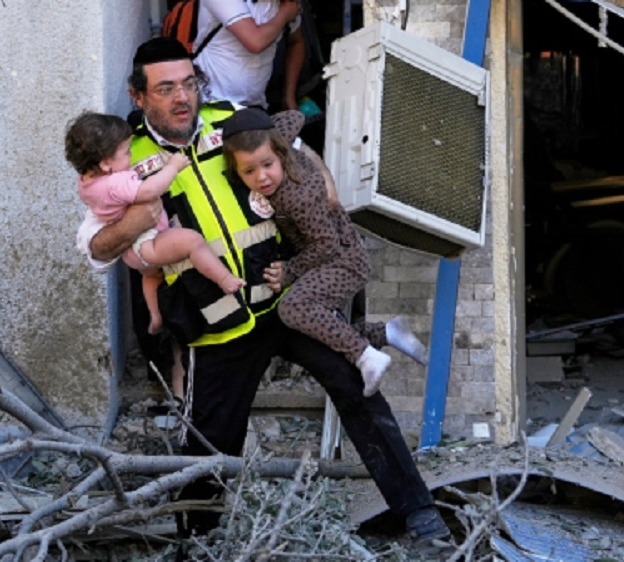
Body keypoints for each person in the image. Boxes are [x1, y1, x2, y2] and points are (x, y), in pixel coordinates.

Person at [76, 37, 450, 547]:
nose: (183, 97)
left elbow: (294, 150)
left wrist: (320, 181)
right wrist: (137, 221)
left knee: (357, 388)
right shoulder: (124, 157)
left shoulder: (230, 118)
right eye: (166, 89)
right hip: (216, 325)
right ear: (138, 96)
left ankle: (420, 515)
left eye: (189, 83)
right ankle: (199, 542)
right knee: (209, 444)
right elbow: (96, 248)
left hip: (287, 298)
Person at [221, 107, 428, 397]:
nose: (262, 177)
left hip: (343, 261)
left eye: (267, 164)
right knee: (325, 326)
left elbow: (325, 244)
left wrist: (290, 271)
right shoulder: (273, 135)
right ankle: (389, 333)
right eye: (249, 171)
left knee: (294, 308)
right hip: (331, 256)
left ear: (280, 154)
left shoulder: (298, 195)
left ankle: (366, 356)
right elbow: (293, 116)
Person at [65, 110, 246, 336]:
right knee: (192, 241)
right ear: (105, 164)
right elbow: (149, 190)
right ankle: (225, 278)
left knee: (152, 276)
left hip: (133, 253)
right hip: (146, 242)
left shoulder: (86, 183)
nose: (131, 156)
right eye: (126, 152)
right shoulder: (116, 182)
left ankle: (155, 316)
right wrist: (173, 166)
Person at [194, 0, 303, 111]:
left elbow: (296, 43)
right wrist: (284, 15)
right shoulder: (286, 10)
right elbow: (255, 42)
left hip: (253, 105)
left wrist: (289, 96)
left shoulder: (284, 4)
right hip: (210, 102)